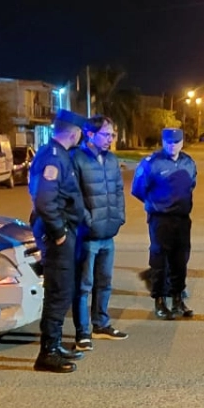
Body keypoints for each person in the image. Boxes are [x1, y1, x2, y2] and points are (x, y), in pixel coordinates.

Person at [29, 109, 88, 373]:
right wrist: (59, 231)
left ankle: (54, 344)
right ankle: (47, 353)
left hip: (63, 232)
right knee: (59, 292)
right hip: (57, 235)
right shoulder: (53, 157)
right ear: (74, 132)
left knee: (62, 290)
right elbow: (44, 200)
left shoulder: (56, 153)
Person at [70, 115, 128, 350]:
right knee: (84, 285)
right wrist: (88, 221)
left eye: (112, 134)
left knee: (104, 282)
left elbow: (118, 191)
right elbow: (74, 196)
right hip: (87, 236)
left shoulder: (112, 160)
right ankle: (82, 332)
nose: (110, 139)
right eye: (106, 134)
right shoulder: (77, 159)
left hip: (108, 233)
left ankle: (101, 324)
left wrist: (119, 216)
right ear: (90, 135)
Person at [131, 127, 197, 321]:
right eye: (169, 142)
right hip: (161, 218)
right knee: (160, 260)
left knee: (180, 260)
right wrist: (157, 203)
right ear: (163, 142)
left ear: (182, 142)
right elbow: (138, 189)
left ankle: (178, 299)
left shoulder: (188, 162)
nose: (172, 146)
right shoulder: (152, 163)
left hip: (182, 218)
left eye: (176, 142)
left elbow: (191, 185)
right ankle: (160, 301)